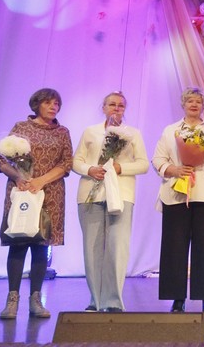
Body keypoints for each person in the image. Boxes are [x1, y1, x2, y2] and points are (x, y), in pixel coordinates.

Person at [152, 87, 204, 314]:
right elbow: (158, 159)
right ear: (183, 105)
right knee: (174, 246)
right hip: (176, 194)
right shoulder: (171, 131)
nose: (194, 105)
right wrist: (174, 169)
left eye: (198, 101)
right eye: (190, 101)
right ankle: (177, 298)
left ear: (203, 105)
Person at [0, 88, 73, 320]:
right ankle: (12, 300)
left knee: (41, 244)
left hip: (49, 193)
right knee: (19, 242)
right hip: (21, 192)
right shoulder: (21, 127)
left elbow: (66, 163)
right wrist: (19, 177)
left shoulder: (62, 132)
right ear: (37, 104)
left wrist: (41, 180)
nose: (53, 107)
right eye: (48, 103)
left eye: (57, 104)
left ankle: (36, 299)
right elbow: (2, 160)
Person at [72, 91, 149, 312]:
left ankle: (113, 301)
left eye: (121, 105)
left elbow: (143, 164)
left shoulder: (132, 134)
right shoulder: (90, 131)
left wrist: (120, 167)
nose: (116, 108)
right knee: (92, 248)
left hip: (121, 195)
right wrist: (90, 169)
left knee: (117, 247)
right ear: (104, 107)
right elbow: (76, 161)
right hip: (91, 194)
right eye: (112, 104)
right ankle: (95, 300)